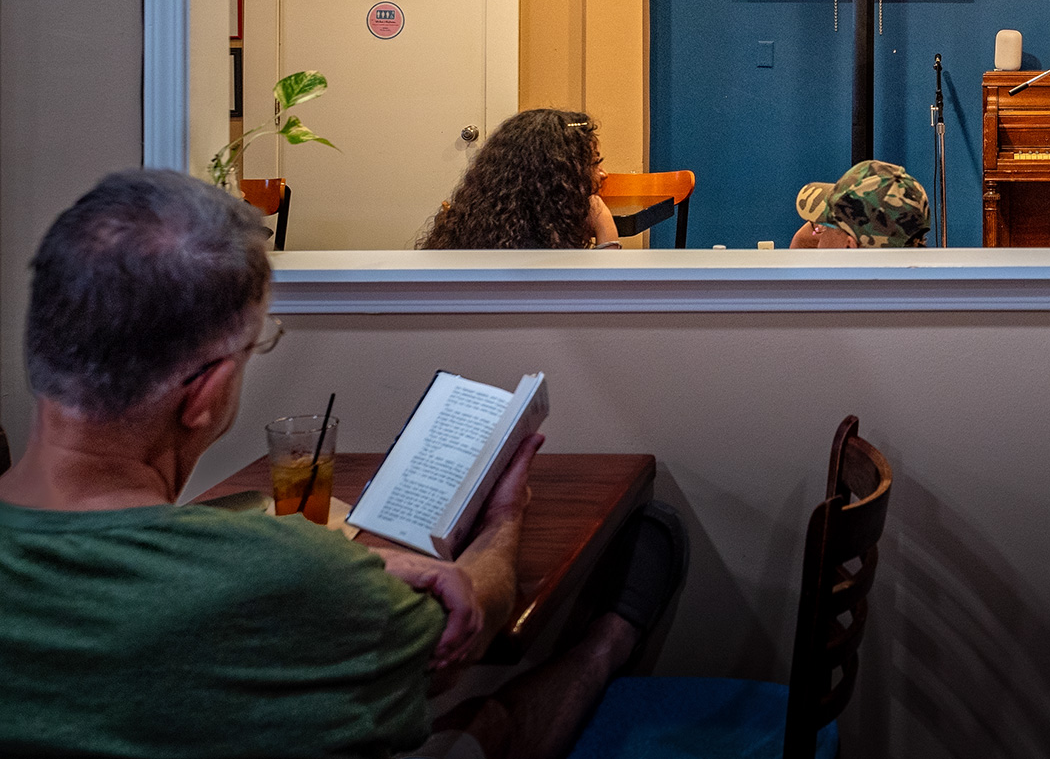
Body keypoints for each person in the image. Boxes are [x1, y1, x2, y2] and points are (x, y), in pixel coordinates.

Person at [0, 169, 685, 759]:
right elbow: (466, 625)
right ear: (204, 394)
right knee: (481, 728)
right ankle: (610, 643)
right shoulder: (285, 578)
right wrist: (502, 522)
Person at [420, 108, 620, 250]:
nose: (603, 174)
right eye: (595, 163)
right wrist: (604, 225)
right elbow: (605, 295)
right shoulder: (534, 250)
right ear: (554, 177)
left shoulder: (486, 228)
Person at [789, 160, 931, 248]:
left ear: (849, 246)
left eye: (823, 226)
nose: (814, 237)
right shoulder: (930, 293)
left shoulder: (833, 296)